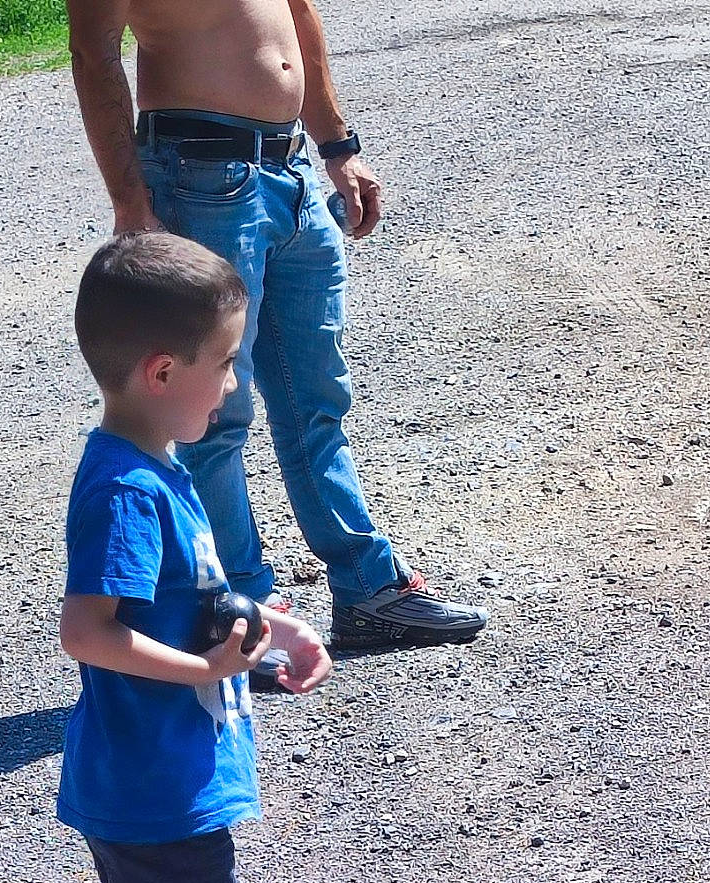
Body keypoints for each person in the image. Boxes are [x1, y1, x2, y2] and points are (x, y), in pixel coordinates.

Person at [64, 0, 488, 657]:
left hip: (287, 170)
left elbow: (297, 19)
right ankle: (237, 613)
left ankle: (368, 590)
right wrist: (130, 203)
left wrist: (338, 149)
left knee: (316, 399)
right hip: (198, 174)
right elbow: (94, 53)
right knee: (211, 415)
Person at [58, 233, 332, 883]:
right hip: (159, 791)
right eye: (223, 363)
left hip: (134, 788)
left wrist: (268, 628)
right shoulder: (127, 489)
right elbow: (89, 631)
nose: (233, 381)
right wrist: (205, 668)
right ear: (162, 369)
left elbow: (192, 599)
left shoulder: (151, 462)